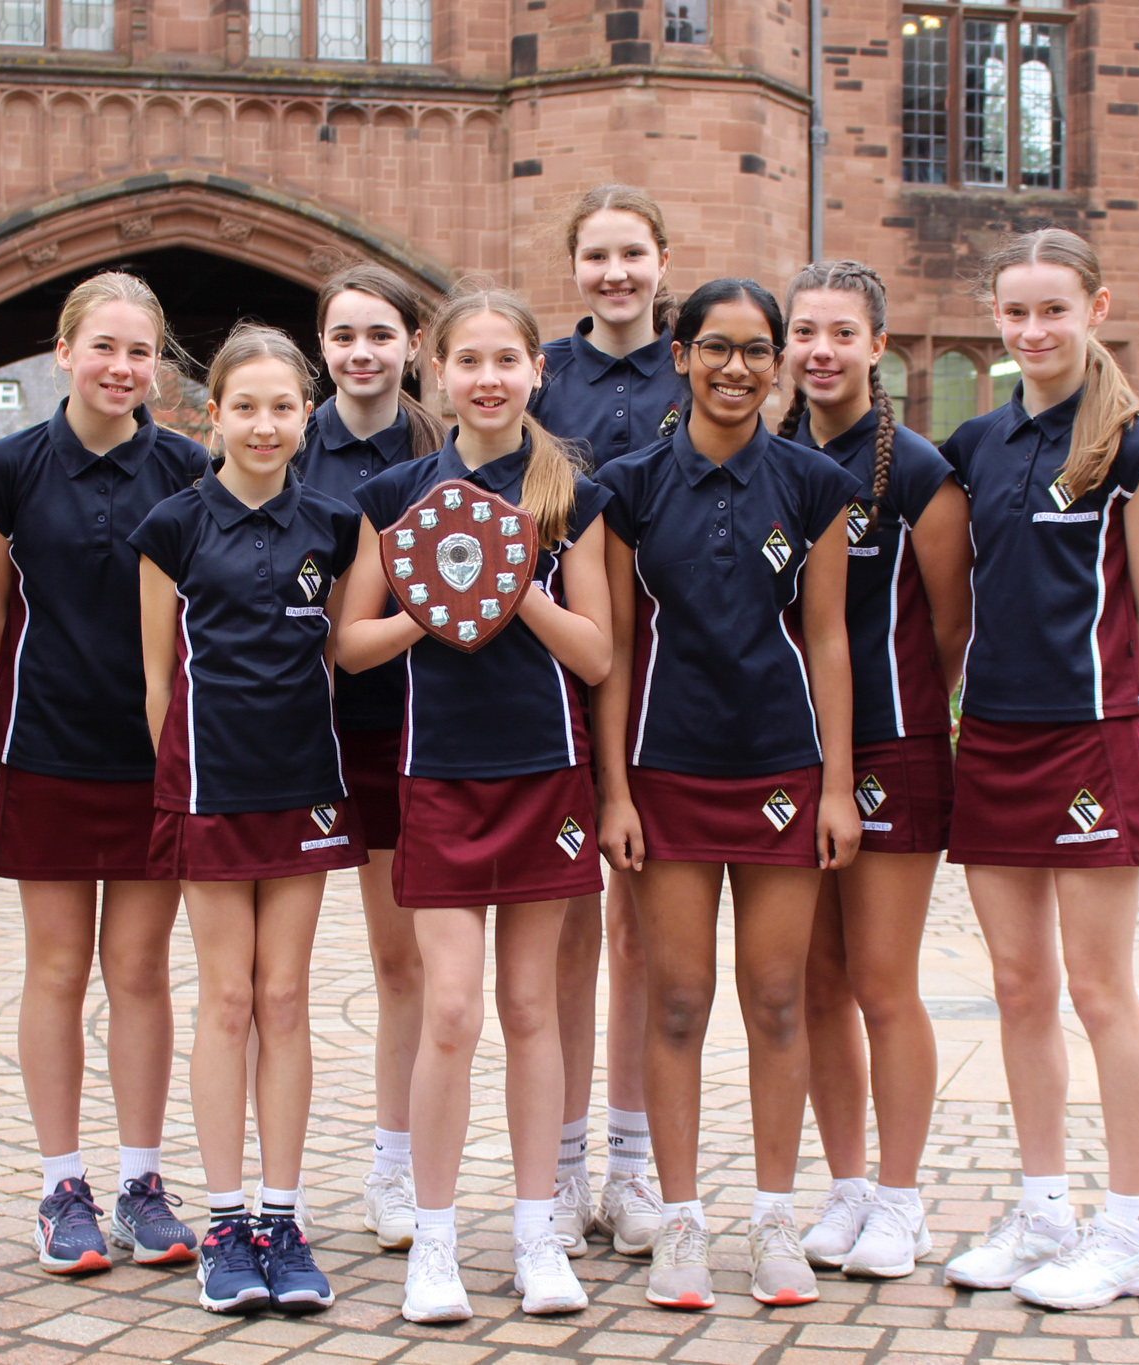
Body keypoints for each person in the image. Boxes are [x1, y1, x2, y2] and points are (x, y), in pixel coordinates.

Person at [339, 286, 613, 1324]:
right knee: (448, 1009)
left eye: (507, 360)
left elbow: (596, 654)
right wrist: (428, 607)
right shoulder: (395, 494)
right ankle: (435, 1244)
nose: (488, 378)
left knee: (532, 1007)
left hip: (545, 775)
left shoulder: (568, 496)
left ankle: (538, 1234)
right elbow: (348, 647)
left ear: (535, 371)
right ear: (435, 371)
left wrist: (515, 584)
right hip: (437, 774)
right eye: (469, 361)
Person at [591, 277, 863, 1311]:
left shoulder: (807, 485)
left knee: (779, 998)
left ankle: (774, 1220)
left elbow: (828, 638)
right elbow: (612, 652)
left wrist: (835, 784)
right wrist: (612, 790)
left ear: (776, 363)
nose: (737, 368)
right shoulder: (626, 486)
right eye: (716, 348)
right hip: (664, 772)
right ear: (680, 357)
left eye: (757, 350)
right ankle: (680, 1225)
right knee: (673, 1001)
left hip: (782, 773)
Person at [938, 227, 1139, 1312]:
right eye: (1014, 312)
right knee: (1017, 988)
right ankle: (1043, 1212)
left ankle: (1127, 1232)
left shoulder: (1136, 452)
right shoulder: (974, 443)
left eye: (1052, 309)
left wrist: (1114, 725)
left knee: (1096, 989)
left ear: (1096, 307)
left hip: (1086, 741)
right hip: (986, 736)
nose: (1032, 330)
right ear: (994, 318)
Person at [0, 272, 210, 1276]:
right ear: (61, 353)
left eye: (140, 351)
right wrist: (44, 697)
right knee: (57, 970)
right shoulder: (5, 470)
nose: (121, 367)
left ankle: (141, 1183)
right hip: (48, 752)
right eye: (102, 346)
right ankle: (61, 1186)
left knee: (142, 972)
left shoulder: (190, 468)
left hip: (153, 755)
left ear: (157, 364)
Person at [135, 324, 366, 1315]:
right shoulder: (173, 526)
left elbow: (338, 660)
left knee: (285, 999)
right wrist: (187, 777)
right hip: (211, 787)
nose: (263, 424)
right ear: (210, 415)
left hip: (305, 785)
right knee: (225, 1001)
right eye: (244, 407)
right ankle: (224, 1224)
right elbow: (157, 677)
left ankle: (282, 1215)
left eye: (281, 407)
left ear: (304, 415)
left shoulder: (339, 525)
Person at [776, 262, 972, 1280]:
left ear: (874, 345)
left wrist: (888, 737)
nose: (819, 350)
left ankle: (901, 1200)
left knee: (881, 983)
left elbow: (946, 625)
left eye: (839, 333)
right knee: (814, 982)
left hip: (891, 746)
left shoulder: (917, 473)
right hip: (783, 750)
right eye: (803, 331)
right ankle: (845, 1187)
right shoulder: (765, 460)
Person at [531, 184, 689, 1258]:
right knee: (565, 934)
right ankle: (559, 1163)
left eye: (632, 252)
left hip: (666, 675)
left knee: (639, 936)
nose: (615, 273)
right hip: (557, 673)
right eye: (596, 255)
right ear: (574, 266)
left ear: (662, 259)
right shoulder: (542, 372)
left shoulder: (701, 364)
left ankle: (633, 1167)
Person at [296, 265, 445, 1252]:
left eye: (380, 335)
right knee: (271, 976)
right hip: (292, 736)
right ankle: (271, 1183)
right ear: (321, 347)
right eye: (344, 335)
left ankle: (392, 1166)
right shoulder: (277, 443)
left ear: (410, 348)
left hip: (408, 729)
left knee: (403, 965)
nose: (361, 353)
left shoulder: (444, 453)